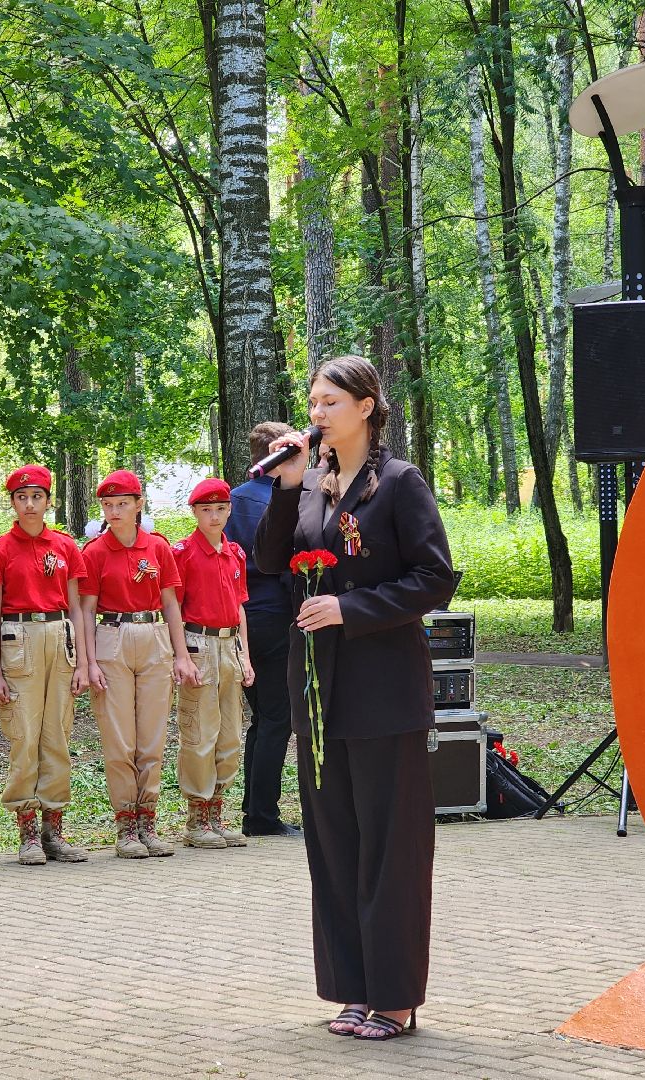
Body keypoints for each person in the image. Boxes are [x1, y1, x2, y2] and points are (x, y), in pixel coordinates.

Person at [254, 355, 455, 1041]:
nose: (316, 414)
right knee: (335, 845)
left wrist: (352, 608)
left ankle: (395, 999)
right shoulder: (310, 485)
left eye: (330, 402)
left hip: (383, 689)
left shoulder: (399, 483)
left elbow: (434, 578)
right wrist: (285, 488)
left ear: (367, 406)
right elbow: (272, 561)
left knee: (389, 849)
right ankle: (353, 989)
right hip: (319, 690)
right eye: (312, 402)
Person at [78, 469, 198, 859]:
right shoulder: (94, 552)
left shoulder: (158, 548)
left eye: (122, 504)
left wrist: (181, 654)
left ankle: (148, 820)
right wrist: (88, 661)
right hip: (111, 637)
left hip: (153, 637)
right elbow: (85, 609)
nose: (114, 512)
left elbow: (171, 604)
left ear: (138, 505)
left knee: (151, 738)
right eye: (108, 505)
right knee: (120, 740)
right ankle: (125, 824)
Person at [0, 465, 90, 865]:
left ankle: (54, 829)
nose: (29, 505)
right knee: (24, 736)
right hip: (18, 639)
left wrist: (80, 661)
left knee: (57, 736)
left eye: (37, 497)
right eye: (21, 498)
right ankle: (27, 831)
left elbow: (77, 606)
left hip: (59, 639)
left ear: (49, 500)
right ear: (12, 502)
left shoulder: (64, 546)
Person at [172, 477, 255, 849]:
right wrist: (179, 655)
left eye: (221, 509)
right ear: (194, 512)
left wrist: (246, 655)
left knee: (230, 735)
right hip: (197, 644)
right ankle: (196, 815)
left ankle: (218, 809)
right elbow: (171, 606)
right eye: (206, 510)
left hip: (228, 645)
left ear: (229, 511)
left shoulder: (234, 552)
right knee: (199, 733)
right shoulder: (184, 553)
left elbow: (239, 606)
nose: (214, 516)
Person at [227, 421, 301, 837]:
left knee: (263, 718)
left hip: (240, 618)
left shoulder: (231, 501)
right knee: (277, 718)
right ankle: (262, 816)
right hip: (275, 615)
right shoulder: (288, 499)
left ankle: (255, 807)